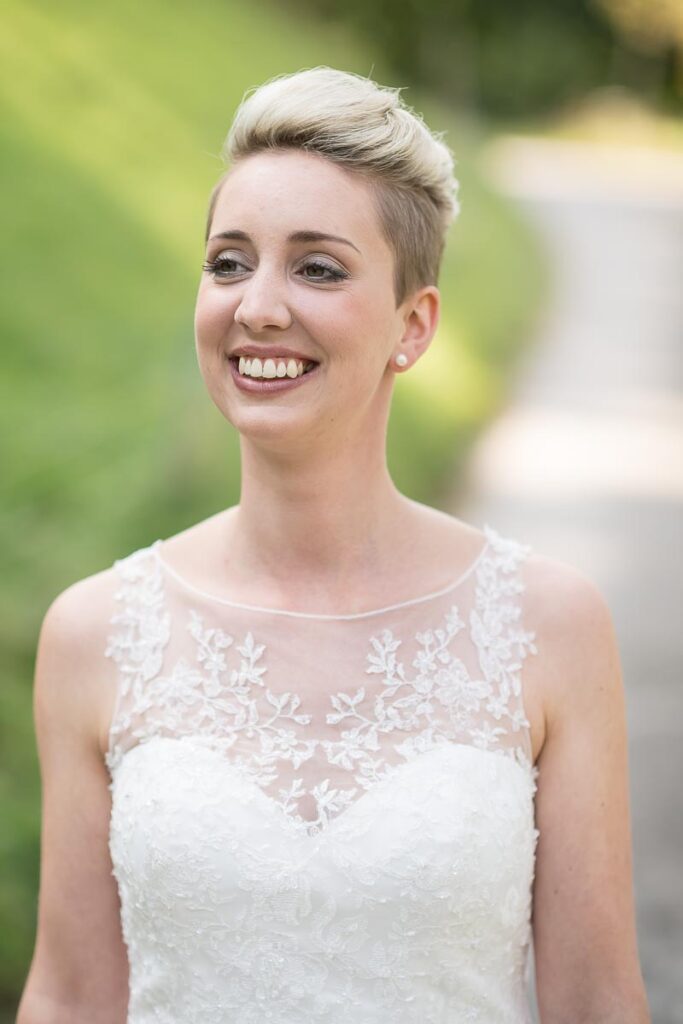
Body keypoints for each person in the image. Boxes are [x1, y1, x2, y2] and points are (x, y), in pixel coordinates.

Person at [17, 66, 649, 1023]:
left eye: (315, 267)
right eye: (229, 262)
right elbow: (67, 997)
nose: (257, 308)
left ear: (413, 325)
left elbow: (597, 1003)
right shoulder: (94, 633)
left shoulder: (548, 627)